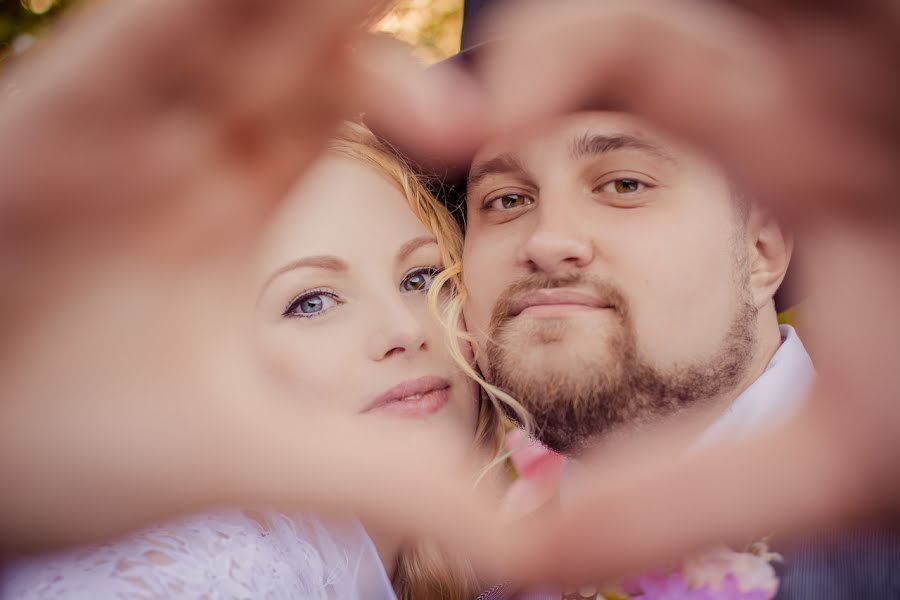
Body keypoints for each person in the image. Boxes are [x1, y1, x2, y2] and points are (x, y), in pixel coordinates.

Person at [1, 123, 518, 599]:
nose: (404, 331)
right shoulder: (207, 568)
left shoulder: (494, 542)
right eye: (311, 302)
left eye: (421, 279)